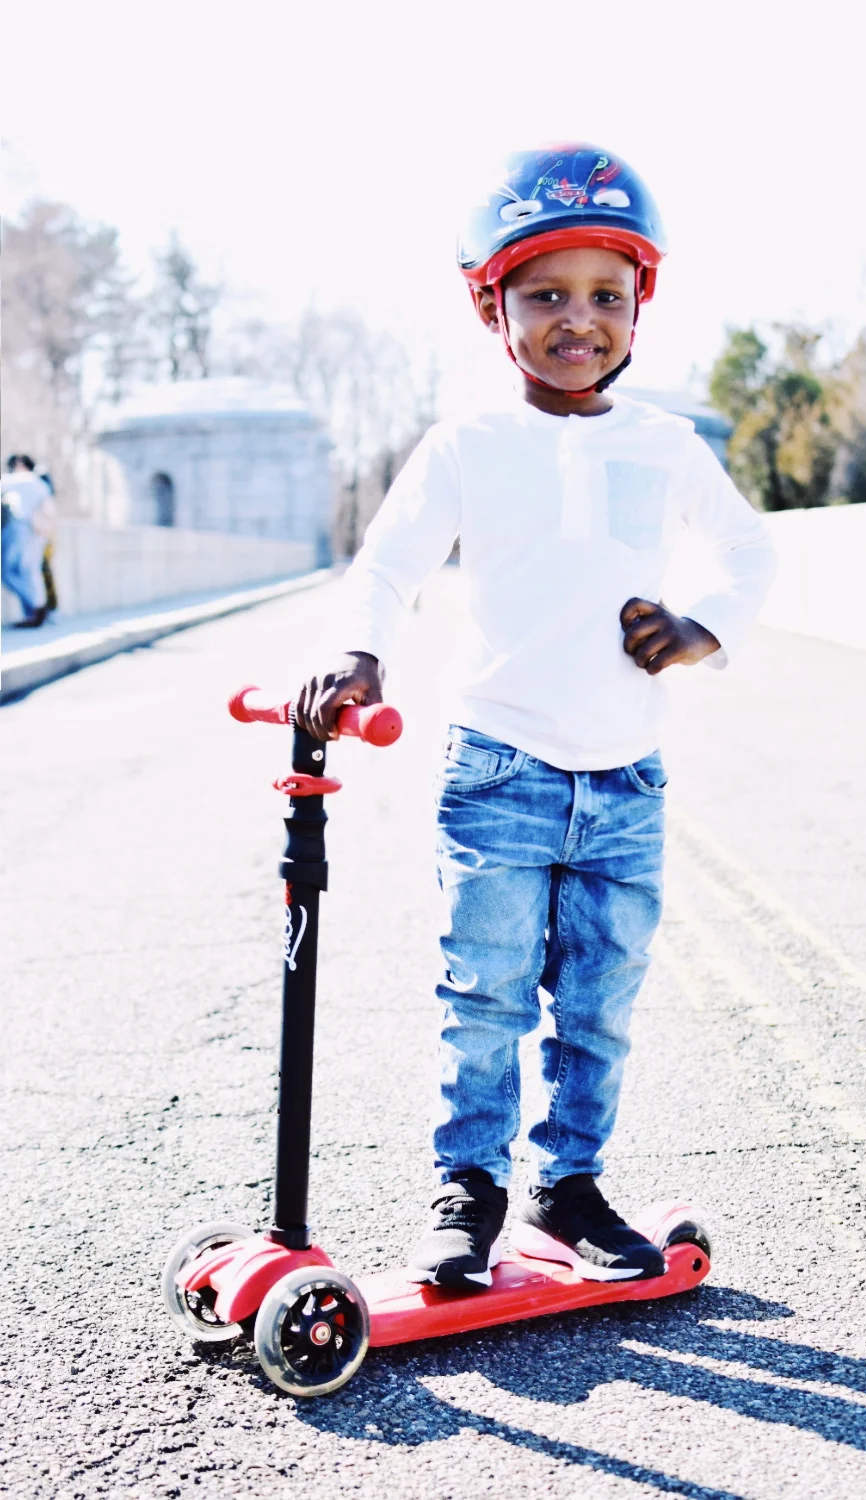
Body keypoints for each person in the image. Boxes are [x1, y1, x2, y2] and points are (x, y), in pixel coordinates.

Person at [296, 144, 777, 1291]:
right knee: (487, 992)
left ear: (639, 307)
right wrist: (357, 653)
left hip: (626, 780)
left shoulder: (661, 444)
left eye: (606, 296)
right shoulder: (469, 444)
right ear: (492, 306)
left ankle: (569, 1188)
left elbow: (747, 549)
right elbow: (387, 566)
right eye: (546, 295)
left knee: (600, 1000)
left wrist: (703, 623)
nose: (579, 321)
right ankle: (468, 1189)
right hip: (501, 769)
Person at [1, 454, 55, 628]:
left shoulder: (23, 479)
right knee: (29, 571)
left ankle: (38, 608)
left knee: (7, 572)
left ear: (20, 465)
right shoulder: (40, 482)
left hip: (23, 528)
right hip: (39, 531)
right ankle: (33, 613)